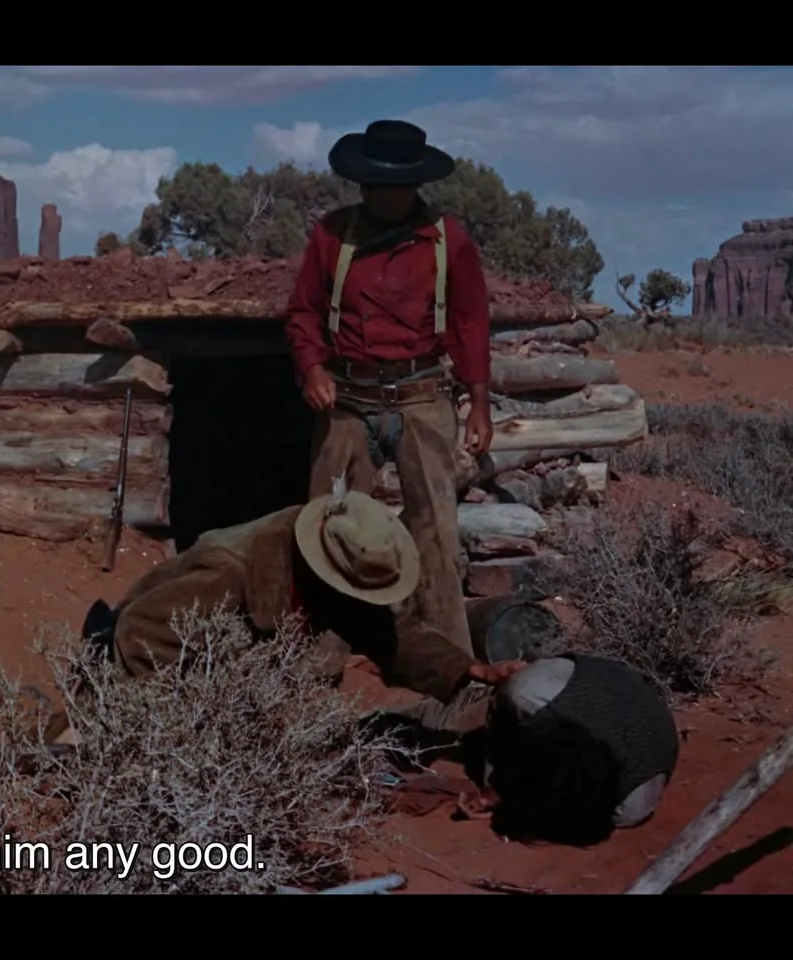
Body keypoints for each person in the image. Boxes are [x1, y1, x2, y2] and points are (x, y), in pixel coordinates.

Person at [283, 119, 493, 679]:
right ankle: (318, 659)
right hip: (347, 397)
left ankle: (450, 668)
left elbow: (471, 321)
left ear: (416, 184)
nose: (387, 195)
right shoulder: (332, 235)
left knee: (436, 529)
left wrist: (478, 401)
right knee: (328, 521)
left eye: (397, 185)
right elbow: (303, 311)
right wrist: (312, 368)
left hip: (422, 393)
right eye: (376, 184)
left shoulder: (449, 240)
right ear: (363, 184)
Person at [76, 480, 521, 731]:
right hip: (133, 690)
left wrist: (470, 669)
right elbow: (140, 633)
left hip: (220, 695)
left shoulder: (328, 561)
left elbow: (388, 632)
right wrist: (192, 726)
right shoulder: (230, 572)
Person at [462, 653, 680, 846]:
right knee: (518, 692)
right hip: (584, 685)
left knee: (622, 811)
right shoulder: (527, 693)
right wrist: (492, 787)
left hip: (645, 736)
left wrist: (518, 811)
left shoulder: (630, 803)